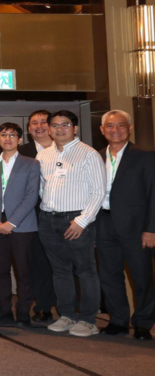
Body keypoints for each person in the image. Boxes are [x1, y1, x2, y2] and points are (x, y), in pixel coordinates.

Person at [37, 110, 104, 337]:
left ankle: (88, 320)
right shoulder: (43, 155)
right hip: (48, 218)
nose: (59, 129)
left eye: (65, 124)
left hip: (76, 219)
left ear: (75, 128)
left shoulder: (89, 154)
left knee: (85, 270)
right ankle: (67, 315)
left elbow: (98, 192)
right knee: (60, 270)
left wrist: (82, 221)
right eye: (54, 125)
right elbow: (40, 189)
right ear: (49, 129)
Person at [96, 110, 155, 340]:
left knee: (142, 278)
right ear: (102, 130)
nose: (115, 130)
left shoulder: (146, 156)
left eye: (120, 125)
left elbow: (153, 194)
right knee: (109, 276)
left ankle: (143, 323)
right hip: (103, 223)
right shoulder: (96, 156)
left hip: (137, 227)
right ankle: (118, 320)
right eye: (110, 126)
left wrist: (151, 228)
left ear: (129, 128)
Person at [0, 122, 40, 327]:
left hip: (22, 226)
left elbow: (32, 196)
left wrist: (11, 223)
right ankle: (3, 310)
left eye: (12, 135)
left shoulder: (31, 163)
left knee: (24, 271)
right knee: (0, 270)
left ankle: (23, 311)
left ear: (20, 139)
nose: (8, 138)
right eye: (3, 135)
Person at [18, 109, 57, 324]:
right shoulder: (21, 151)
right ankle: (41, 306)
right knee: (36, 262)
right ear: (29, 128)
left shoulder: (64, 148)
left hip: (59, 214)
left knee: (61, 263)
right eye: (34, 123)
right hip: (28, 215)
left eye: (43, 122)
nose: (39, 126)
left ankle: (65, 306)